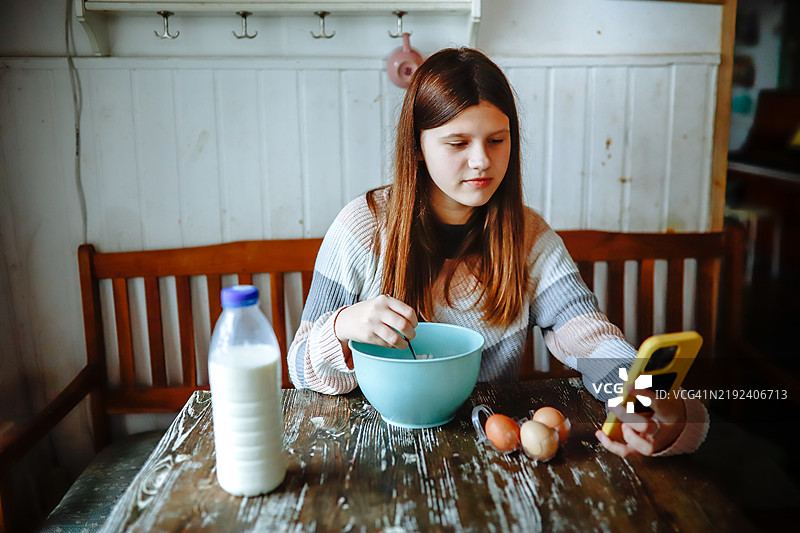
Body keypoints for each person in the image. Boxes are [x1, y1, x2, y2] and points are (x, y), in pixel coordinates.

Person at [287, 47, 708, 458]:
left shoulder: (528, 236)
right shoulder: (361, 227)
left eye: (496, 140)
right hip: (373, 446)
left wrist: (644, 401)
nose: (481, 161)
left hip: (493, 452)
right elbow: (302, 370)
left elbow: (587, 336)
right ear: (417, 147)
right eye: (457, 144)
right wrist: (342, 325)